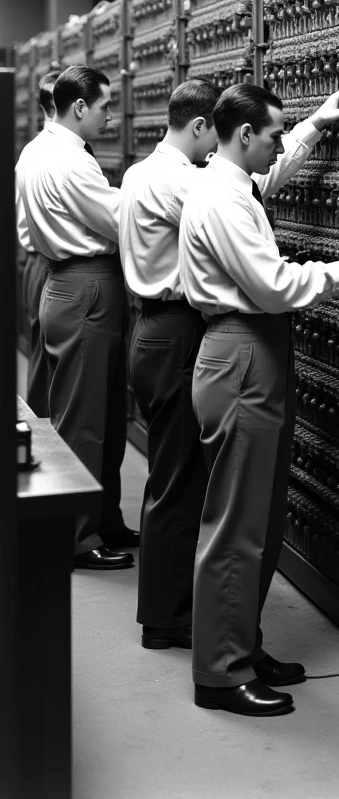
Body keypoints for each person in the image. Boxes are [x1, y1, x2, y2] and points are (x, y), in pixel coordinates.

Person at [178, 82, 339, 717]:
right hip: (242, 354)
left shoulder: (231, 183)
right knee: (236, 527)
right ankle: (220, 672)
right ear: (244, 136)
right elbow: (270, 285)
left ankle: (242, 644)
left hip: (252, 354)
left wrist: (315, 128)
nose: (276, 145)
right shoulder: (223, 201)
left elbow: (266, 178)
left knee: (261, 522)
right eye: (271, 135)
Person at [15, 64, 137, 570]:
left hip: (63, 278)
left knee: (97, 412)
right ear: (80, 107)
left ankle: (104, 519)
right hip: (87, 282)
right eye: (106, 106)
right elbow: (120, 220)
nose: (112, 116)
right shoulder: (72, 164)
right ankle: (80, 537)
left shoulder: (34, 152)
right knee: (84, 421)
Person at [120, 79, 221, 649]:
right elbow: (238, 194)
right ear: (201, 126)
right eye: (216, 133)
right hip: (178, 332)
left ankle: (166, 609)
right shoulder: (183, 179)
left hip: (149, 330)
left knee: (169, 474)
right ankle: (166, 618)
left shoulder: (138, 172)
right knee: (179, 481)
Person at [17, 71, 59, 417]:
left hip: (37, 263)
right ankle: (44, 437)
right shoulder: (47, 153)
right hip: (46, 264)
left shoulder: (33, 151)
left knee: (42, 356)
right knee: (46, 362)